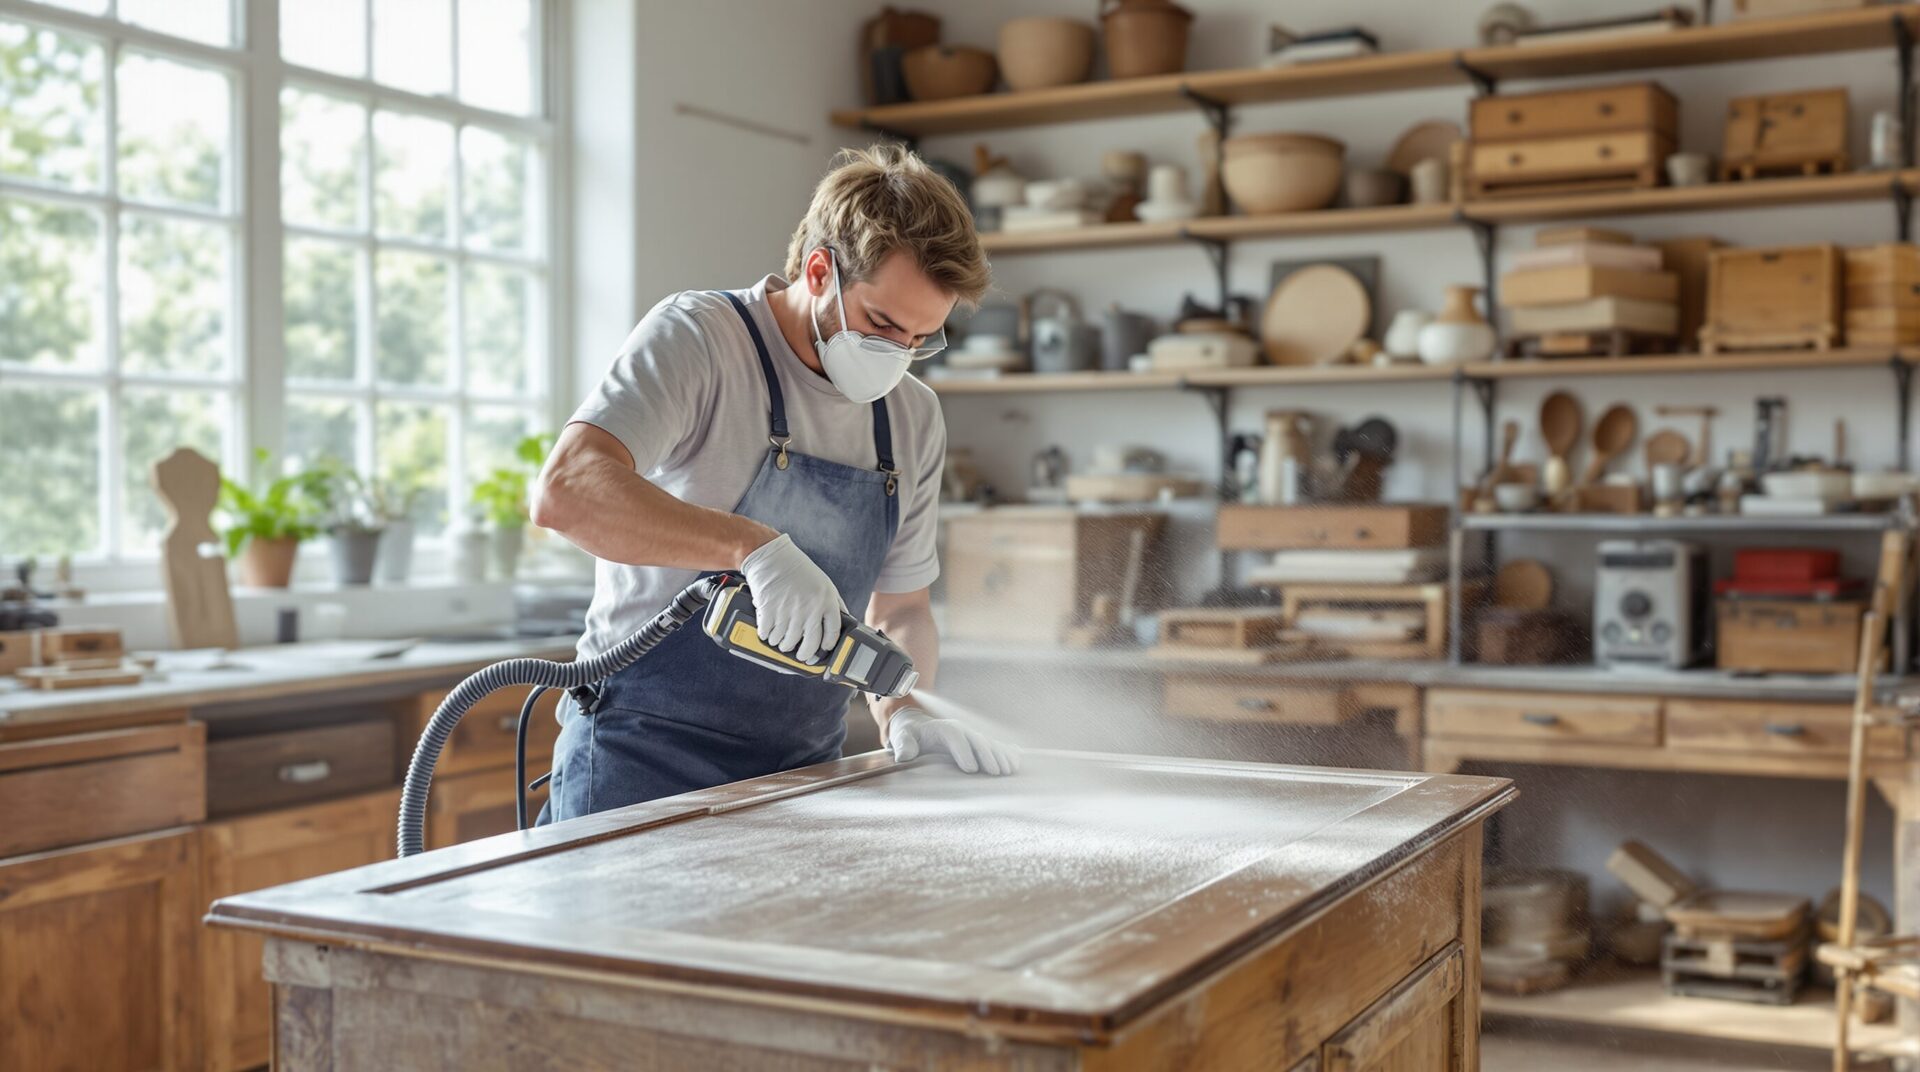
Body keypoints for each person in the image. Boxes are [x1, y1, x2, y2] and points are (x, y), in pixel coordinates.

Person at [531, 145, 1020, 822]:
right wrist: (752, 548)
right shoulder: (701, 339)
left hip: (798, 768)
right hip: (641, 756)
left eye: (920, 338)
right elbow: (566, 492)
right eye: (882, 323)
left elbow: (902, 609)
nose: (897, 354)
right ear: (820, 270)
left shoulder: (911, 417)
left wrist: (903, 707)